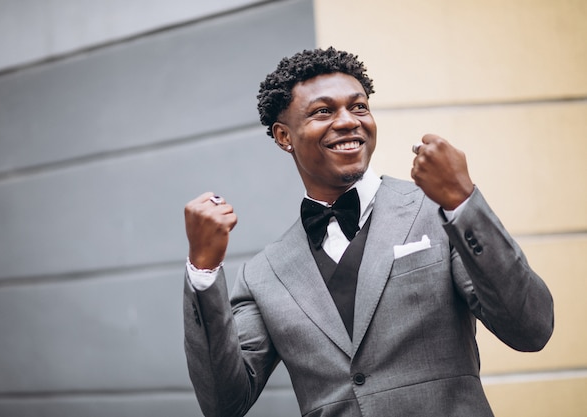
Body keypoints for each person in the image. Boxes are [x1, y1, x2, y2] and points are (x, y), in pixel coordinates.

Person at [182, 47, 554, 417]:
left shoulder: (438, 213)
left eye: (359, 107)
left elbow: (530, 329)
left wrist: (463, 202)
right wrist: (203, 270)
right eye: (323, 111)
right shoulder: (264, 274)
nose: (348, 121)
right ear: (284, 136)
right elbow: (223, 404)